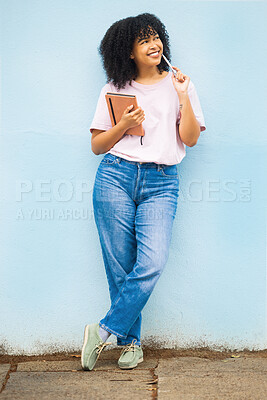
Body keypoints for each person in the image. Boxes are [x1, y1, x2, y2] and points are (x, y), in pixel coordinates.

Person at [81, 12, 206, 371]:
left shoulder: (181, 84)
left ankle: (102, 331)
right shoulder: (113, 88)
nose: (154, 44)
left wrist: (183, 97)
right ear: (128, 52)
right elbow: (97, 146)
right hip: (115, 177)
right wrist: (123, 124)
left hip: (162, 181)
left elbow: (190, 139)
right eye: (143, 40)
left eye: (156, 37)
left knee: (151, 262)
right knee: (120, 266)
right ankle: (130, 343)